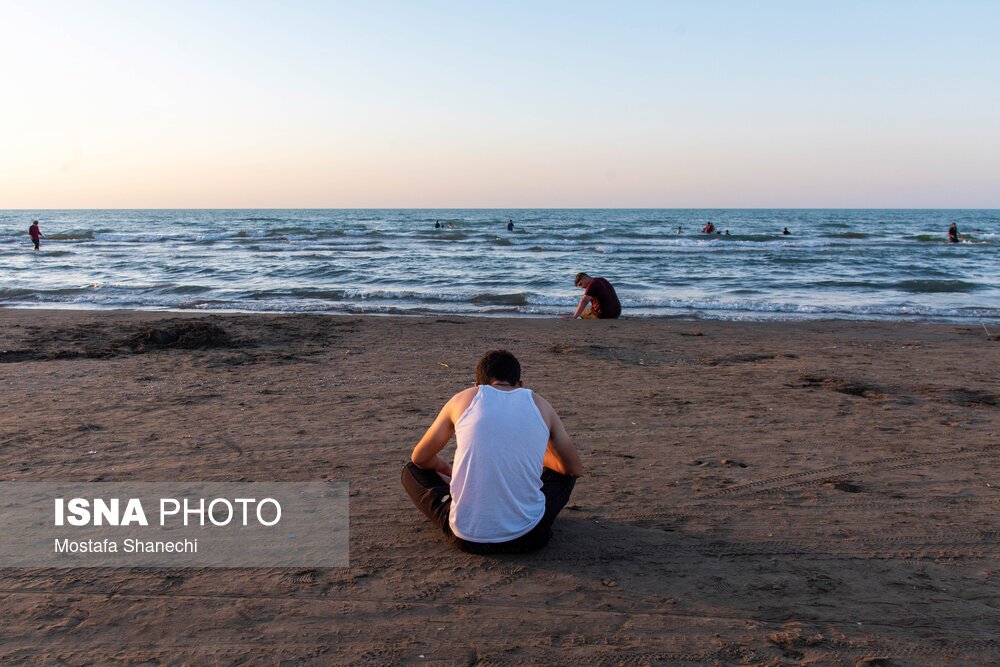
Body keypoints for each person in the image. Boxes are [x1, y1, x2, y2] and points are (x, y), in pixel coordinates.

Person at [402, 349, 583, 554]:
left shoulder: (463, 399)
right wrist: (530, 452)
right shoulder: (539, 403)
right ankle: (522, 513)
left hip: (467, 538)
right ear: (520, 385)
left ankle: (467, 510)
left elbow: (420, 457)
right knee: (564, 473)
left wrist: (442, 467)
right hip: (529, 536)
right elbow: (574, 468)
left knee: (411, 470)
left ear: (477, 386)